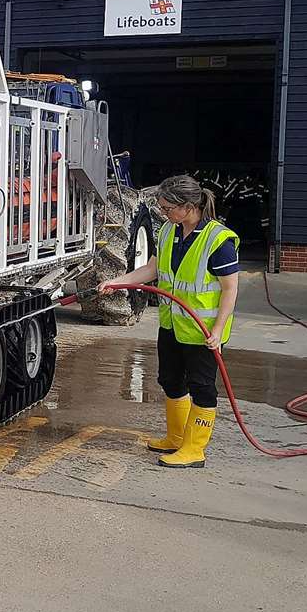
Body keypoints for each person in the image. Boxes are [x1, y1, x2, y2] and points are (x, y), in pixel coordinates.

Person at [98, 174, 239, 470]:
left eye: (167, 208)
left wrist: (216, 331)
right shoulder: (168, 232)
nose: (163, 213)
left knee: (202, 386)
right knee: (170, 380)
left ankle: (194, 449)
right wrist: (119, 282)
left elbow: (230, 289)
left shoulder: (218, 240)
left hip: (203, 331)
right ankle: (176, 438)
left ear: (188, 206)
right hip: (173, 325)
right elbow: (153, 269)